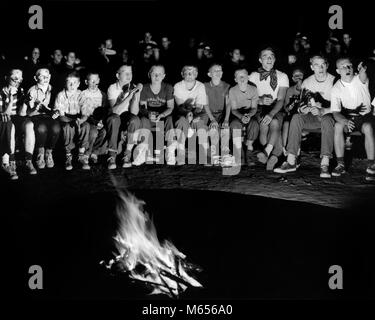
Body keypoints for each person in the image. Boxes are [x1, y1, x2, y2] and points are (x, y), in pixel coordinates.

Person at [275, 55, 335, 178]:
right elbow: (301, 106)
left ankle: (325, 164)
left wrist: (323, 110)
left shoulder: (334, 80)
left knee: (327, 120)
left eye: (323, 64)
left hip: (328, 116)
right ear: (312, 67)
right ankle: (291, 161)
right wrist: (304, 109)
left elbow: (339, 107)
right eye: (317, 65)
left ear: (327, 65)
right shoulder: (307, 82)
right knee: (297, 117)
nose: (321, 67)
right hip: (312, 118)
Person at [330, 58, 375, 181]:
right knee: (338, 126)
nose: (347, 69)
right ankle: (340, 164)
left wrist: (363, 68)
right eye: (343, 67)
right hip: (348, 117)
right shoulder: (336, 88)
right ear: (338, 70)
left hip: (365, 117)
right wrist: (345, 121)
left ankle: (371, 165)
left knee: (368, 127)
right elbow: (335, 112)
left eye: (349, 65)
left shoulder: (360, 79)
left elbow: (363, 74)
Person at [249, 47, 289, 171]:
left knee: (275, 121)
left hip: (276, 107)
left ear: (275, 59)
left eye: (271, 56)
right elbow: (248, 97)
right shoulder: (253, 76)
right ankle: (274, 154)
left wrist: (271, 114)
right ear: (260, 60)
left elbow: (281, 99)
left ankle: (267, 152)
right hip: (259, 107)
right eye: (265, 56)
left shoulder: (282, 76)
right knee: (264, 123)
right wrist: (260, 100)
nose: (269, 58)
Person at [0, 69, 37, 177]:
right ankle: (10, 162)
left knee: (29, 124)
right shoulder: (1, 92)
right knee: (10, 125)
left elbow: (22, 114)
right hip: (4, 117)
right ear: (7, 78)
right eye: (15, 78)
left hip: (16, 116)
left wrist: (26, 102)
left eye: (20, 79)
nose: (17, 81)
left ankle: (28, 160)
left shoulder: (20, 90)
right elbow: (5, 113)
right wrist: (11, 99)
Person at [106, 65, 142, 169]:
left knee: (135, 120)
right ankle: (111, 156)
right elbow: (114, 111)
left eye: (130, 73)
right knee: (114, 119)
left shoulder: (133, 87)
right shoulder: (112, 88)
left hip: (126, 115)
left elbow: (134, 112)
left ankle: (127, 154)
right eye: (125, 73)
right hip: (115, 116)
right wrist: (129, 96)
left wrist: (136, 96)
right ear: (118, 75)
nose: (128, 75)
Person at [54, 72, 90, 170]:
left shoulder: (81, 94)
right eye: (69, 82)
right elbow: (60, 115)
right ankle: (68, 155)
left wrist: (81, 120)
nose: (72, 85)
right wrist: (71, 121)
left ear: (78, 84)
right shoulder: (60, 95)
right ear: (65, 83)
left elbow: (85, 112)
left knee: (86, 125)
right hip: (65, 119)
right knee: (67, 127)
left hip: (78, 118)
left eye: (74, 83)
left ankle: (81, 154)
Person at [139, 65, 175, 164]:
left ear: (163, 76)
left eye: (159, 74)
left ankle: (170, 150)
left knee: (170, 119)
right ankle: (143, 150)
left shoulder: (168, 87)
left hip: (162, 117)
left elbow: (170, 107)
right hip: (149, 117)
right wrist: (148, 114)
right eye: (154, 74)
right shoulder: (144, 88)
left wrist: (162, 115)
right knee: (143, 120)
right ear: (149, 75)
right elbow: (142, 107)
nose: (157, 76)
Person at [26, 68, 61, 169]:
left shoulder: (53, 90)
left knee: (56, 128)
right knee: (41, 128)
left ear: (50, 77)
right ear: (36, 78)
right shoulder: (32, 90)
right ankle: (40, 153)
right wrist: (34, 108)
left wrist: (56, 112)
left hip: (48, 116)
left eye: (47, 76)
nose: (45, 78)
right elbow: (28, 112)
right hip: (35, 116)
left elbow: (57, 106)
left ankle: (48, 152)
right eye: (41, 76)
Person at [173, 65, 208, 165]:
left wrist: (194, 115)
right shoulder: (177, 86)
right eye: (187, 72)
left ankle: (204, 154)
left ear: (196, 74)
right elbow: (180, 106)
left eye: (192, 72)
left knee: (200, 122)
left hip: (197, 112)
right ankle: (180, 153)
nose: (189, 74)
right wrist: (187, 114)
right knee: (181, 121)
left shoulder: (200, 86)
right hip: (183, 112)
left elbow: (199, 106)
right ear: (182, 74)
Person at [228, 69, 259, 166]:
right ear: (235, 79)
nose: (242, 78)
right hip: (238, 114)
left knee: (254, 124)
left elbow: (254, 108)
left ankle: (249, 149)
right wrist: (241, 117)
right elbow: (233, 109)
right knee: (234, 124)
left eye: (244, 76)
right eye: (239, 76)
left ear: (248, 77)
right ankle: (239, 152)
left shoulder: (253, 89)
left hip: (250, 114)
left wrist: (249, 115)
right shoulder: (232, 90)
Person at [204, 63, 231, 164]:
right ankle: (214, 154)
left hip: (222, 115)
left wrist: (226, 119)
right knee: (213, 128)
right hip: (210, 115)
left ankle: (225, 154)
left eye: (220, 70)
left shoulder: (226, 86)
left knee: (225, 128)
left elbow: (228, 104)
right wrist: (212, 119)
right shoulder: (205, 86)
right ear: (209, 74)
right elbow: (205, 104)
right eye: (215, 71)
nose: (218, 72)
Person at [79, 72, 108, 164]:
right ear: (86, 82)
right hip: (88, 120)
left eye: (96, 81)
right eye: (91, 81)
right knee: (93, 132)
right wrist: (95, 122)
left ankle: (94, 152)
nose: (94, 83)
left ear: (99, 81)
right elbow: (83, 113)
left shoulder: (102, 95)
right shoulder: (83, 94)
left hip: (99, 120)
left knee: (103, 132)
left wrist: (102, 121)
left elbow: (104, 110)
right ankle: (87, 153)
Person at [282, 68, 305, 155]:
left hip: (303, 115)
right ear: (292, 78)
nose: (298, 77)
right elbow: (286, 107)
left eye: (300, 75)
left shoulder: (308, 87)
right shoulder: (290, 90)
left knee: (295, 124)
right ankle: (285, 150)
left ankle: (296, 150)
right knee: (286, 124)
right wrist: (291, 105)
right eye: (296, 75)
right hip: (291, 114)